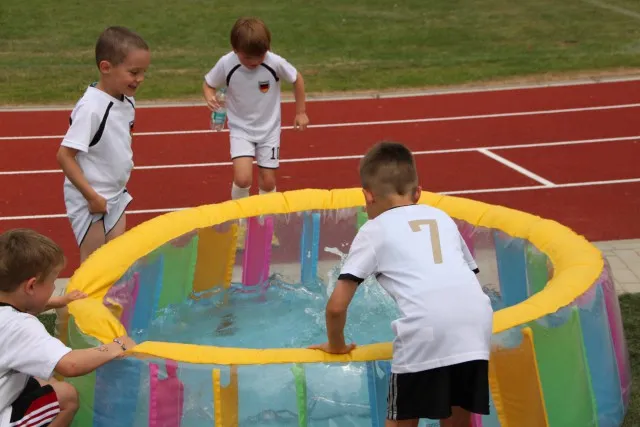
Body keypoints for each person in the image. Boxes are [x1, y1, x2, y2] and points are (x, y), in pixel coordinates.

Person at [309, 142, 494, 427]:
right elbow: (463, 278)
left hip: (426, 328)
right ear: (418, 193)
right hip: (475, 325)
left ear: (367, 196)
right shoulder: (441, 217)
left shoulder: (374, 229)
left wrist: (337, 345)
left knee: (402, 420)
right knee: (457, 420)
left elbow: (336, 307)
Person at [0, 228, 136, 427]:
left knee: (46, 380)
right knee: (68, 397)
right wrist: (117, 346)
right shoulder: (19, 326)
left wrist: (59, 301)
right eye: (52, 282)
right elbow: (70, 364)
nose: (54, 287)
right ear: (31, 286)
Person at [202, 17, 309, 246]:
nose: (254, 62)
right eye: (247, 58)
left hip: (269, 130)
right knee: (242, 178)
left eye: (259, 57)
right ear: (235, 50)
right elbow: (209, 83)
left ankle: (266, 226)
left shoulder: (274, 62)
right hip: (240, 128)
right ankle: (240, 226)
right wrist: (210, 96)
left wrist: (301, 111)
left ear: (267, 49)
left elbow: (297, 79)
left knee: (268, 182)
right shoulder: (227, 63)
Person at [57, 26, 151, 263]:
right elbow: (64, 156)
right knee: (94, 262)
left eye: (144, 72)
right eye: (134, 72)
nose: (140, 79)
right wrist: (91, 197)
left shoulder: (127, 100)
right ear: (106, 67)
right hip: (90, 197)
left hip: (116, 193)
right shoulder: (91, 109)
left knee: (116, 259)